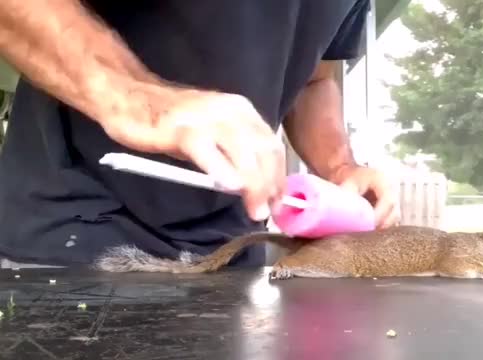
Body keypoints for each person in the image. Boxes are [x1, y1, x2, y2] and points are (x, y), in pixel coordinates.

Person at [0, 0, 399, 269]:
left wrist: (339, 166)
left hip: (232, 252)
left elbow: (315, 79)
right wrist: (136, 97)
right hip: (75, 236)